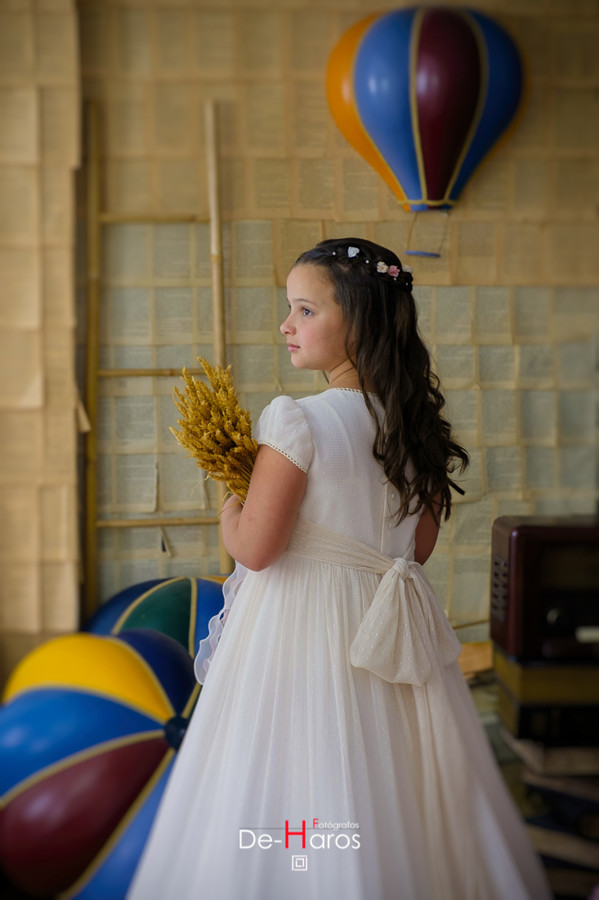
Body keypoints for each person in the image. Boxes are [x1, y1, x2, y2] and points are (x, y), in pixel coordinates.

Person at [127, 238, 550, 900]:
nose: (285, 325)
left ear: (359, 320)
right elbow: (417, 550)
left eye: (304, 309)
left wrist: (232, 503)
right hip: (392, 631)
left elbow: (255, 549)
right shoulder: (415, 429)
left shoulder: (295, 419)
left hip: (302, 634)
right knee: (395, 782)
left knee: (299, 773)